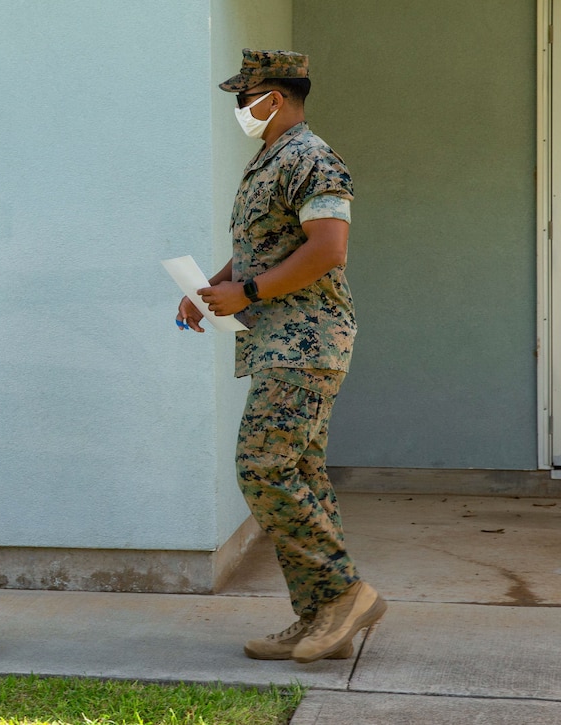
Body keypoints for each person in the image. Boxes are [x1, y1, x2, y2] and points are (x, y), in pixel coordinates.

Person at [176, 50, 386, 663]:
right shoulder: (271, 159)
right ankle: (321, 615)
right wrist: (208, 289)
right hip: (280, 341)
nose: (240, 107)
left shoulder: (312, 157)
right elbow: (260, 249)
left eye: (247, 95)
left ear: (277, 94)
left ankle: (346, 595)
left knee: (263, 467)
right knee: (300, 474)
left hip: (307, 340)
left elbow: (327, 250)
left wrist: (244, 292)